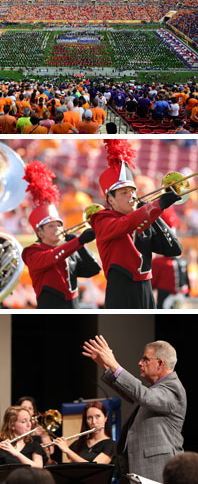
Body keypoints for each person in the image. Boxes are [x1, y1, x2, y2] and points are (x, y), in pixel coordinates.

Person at [90, 139, 183, 309]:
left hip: (146, 289)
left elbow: (175, 249)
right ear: (110, 199)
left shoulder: (143, 217)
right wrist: (156, 206)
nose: (131, 196)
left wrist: (155, 213)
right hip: (121, 291)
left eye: (133, 191)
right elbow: (126, 224)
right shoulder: (102, 219)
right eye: (124, 193)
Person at [83, 335, 187, 484]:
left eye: (145, 359)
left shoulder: (173, 388)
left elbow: (143, 396)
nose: (139, 363)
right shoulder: (156, 389)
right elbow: (135, 396)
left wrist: (114, 364)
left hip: (156, 471)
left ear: (160, 363)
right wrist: (106, 366)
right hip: (136, 470)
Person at [22, 161, 101, 309]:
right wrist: (77, 242)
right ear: (40, 232)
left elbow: (93, 270)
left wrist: (81, 246)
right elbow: (51, 257)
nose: (57, 229)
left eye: (58, 225)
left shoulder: (69, 249)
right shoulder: (32, 252)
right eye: (51, 226)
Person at [15, 396, 56, 466]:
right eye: (24, 408)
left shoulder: (39, 427)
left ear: (33, 412)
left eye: (30, 408)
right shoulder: (16, 427)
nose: (27, 410)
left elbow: (51, 451)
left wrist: (43, 436)